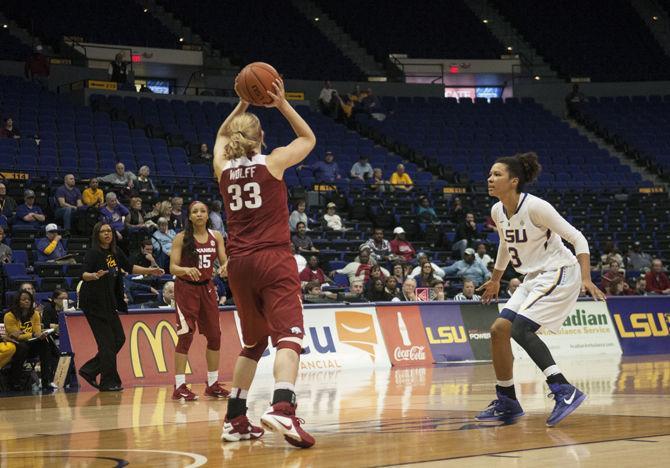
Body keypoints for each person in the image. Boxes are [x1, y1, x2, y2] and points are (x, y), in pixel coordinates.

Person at [215, 77, 316, 446]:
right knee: (289, 335)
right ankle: (282, 408)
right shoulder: (273, 162)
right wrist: (282, 103)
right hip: (272, 258)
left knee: (254, 342)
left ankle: (235, 419)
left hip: (239, 264)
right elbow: (308, 139)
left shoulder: (222, 169)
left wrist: (242, 104)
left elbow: (220, 138)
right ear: (260, 138)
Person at [476, 151, 605, 427]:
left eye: (497, 174)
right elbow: (504, 243)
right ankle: (508, 400)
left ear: (514, 181)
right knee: (499, 330)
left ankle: (563, 389)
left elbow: (577, 237)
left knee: (521, 328)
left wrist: (586, 277)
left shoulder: (536, 207)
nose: (490, 178)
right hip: (532, 277)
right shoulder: (497, 210)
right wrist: (497, 278)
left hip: (559, 272)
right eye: (490, 174)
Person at [77, 222, 163, 392]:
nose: (107, 234)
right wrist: (94, 275)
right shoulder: (93, 253)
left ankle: (90, 370)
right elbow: (83, 274)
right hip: (94, 303)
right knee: (107, 344)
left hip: (108, 301)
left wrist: (150, 271)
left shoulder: (115, 252)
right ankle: (108, 382)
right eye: (103, 232)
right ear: (97, 235)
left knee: (119, 339)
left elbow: (130, 267)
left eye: (109, 231)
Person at [169, 201, 230, 400]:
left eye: (203, 211)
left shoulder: (216, 236)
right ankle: (179, 386)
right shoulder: (181, 238)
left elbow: (224, 260)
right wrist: (186, 270)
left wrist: (225, 267)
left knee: (215, 335)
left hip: (207, 288)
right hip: (186, 290)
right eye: (195, 211)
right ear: (189, 216)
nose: (199, 214)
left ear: (208, 215)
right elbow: (173, 268)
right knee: (186, 336)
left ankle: (212, 384)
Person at [4, 290, 55, 391]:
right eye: (23, 300)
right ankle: (15, 382)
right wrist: (31, 334)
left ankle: (46, 381)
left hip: (31, 344)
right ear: (17, 301)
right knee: (23, 347)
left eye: (29, 300)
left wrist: (38, 335)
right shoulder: (9, 315)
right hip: (16, 346)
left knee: (44, 342)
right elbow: (15, 335)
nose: (27, 301)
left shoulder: (35, 314)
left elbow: (37, 332)